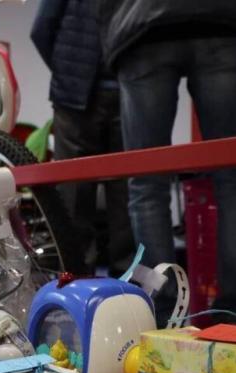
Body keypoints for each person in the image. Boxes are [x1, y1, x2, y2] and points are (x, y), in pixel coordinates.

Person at [97, 1, 236, 326]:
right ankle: (231, 313)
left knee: (146, 184)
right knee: (231, 180)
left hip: (141, 25)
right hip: (221, 21)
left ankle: (163, 311)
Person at [31, 0, 135, 277]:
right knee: (127, 193)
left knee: (75, 195)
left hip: (86, 95)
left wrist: (68, 74)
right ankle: (128, 284)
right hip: (122, 91)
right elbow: (41, 31)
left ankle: (77, 279)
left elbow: (42, 28)